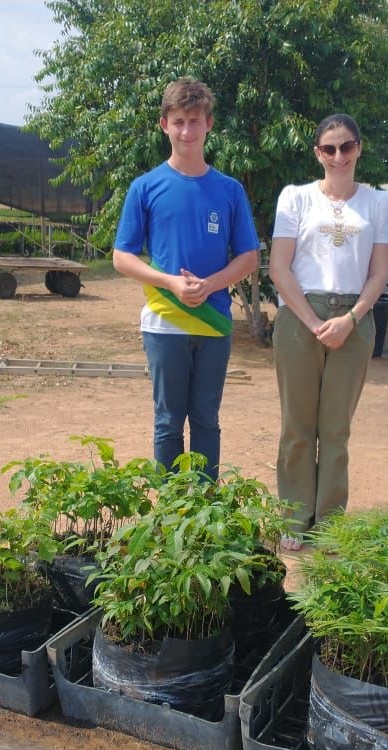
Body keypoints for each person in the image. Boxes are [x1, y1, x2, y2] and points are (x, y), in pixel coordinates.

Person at [113, 78, 260, 481]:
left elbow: (249, 256)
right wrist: (170, 283)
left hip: (214, 323)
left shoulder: (229, 191)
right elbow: (122, 257)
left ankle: (204, 509)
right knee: (168, 422)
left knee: (207, 422)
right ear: (164, 124)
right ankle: (170, 513)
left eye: (195, 121)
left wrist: (210, 285)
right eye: (178, 121)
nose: (187, 132)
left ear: (209, 124)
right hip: (164, 321)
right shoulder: (145, 187)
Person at [269, 114, 388, 549]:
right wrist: (312, 321)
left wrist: (351, 319)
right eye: (329, 148)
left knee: (336, 430)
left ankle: (328, 522)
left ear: (359, 148)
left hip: (354, 319)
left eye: (346, 146)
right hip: (301, 316)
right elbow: (279, 267)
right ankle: (293, 517)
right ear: (317, 153)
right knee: (297, 425)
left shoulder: (379, 204)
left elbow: (379, 273)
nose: (338, 156)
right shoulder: (296, 198)